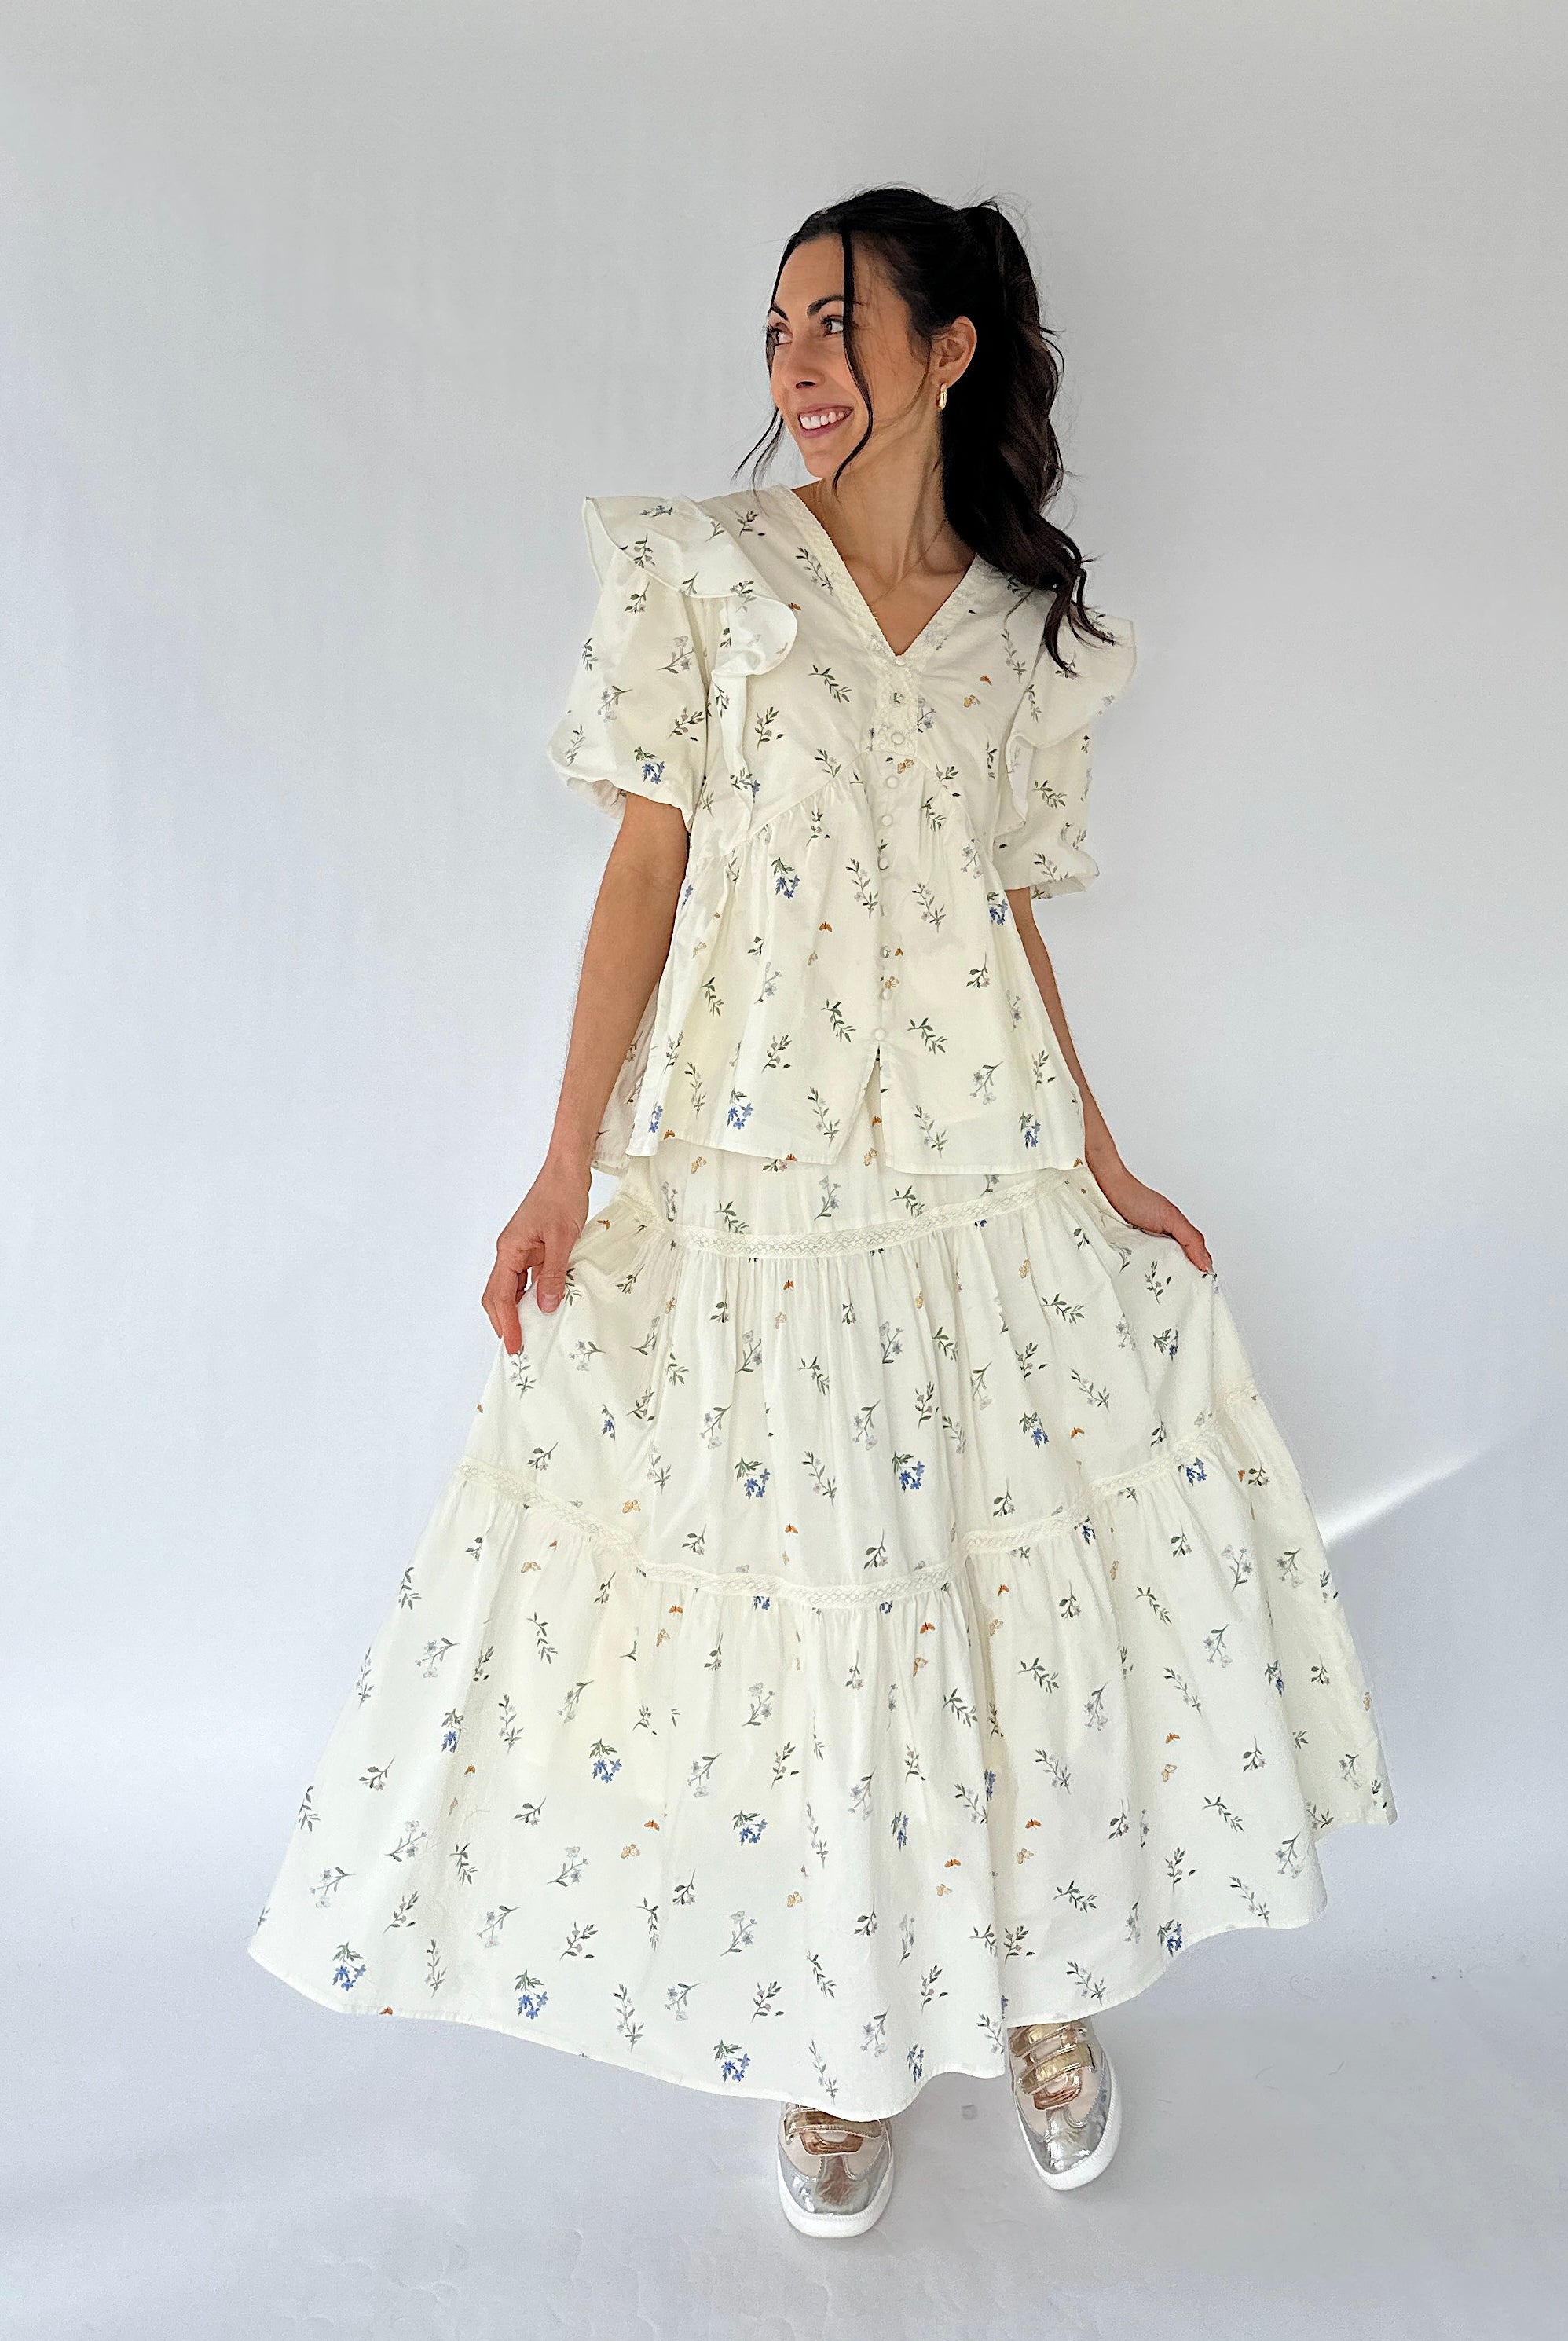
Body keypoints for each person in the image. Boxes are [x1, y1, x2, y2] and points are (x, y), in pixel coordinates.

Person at [248, 185, 1395, 2239]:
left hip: (978, 1172)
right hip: (752, 1173)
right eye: (772, 328)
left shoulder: (1019, 635)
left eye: (832, 321)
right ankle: (828, 2027)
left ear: (945, 350)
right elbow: (640, 872)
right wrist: (565, 1158)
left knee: (1019, 1588)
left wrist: (1098, 1155)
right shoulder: (702, 581)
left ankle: (1046, 1986)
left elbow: (1008, 912)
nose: (790, 366)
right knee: (804, 1618)